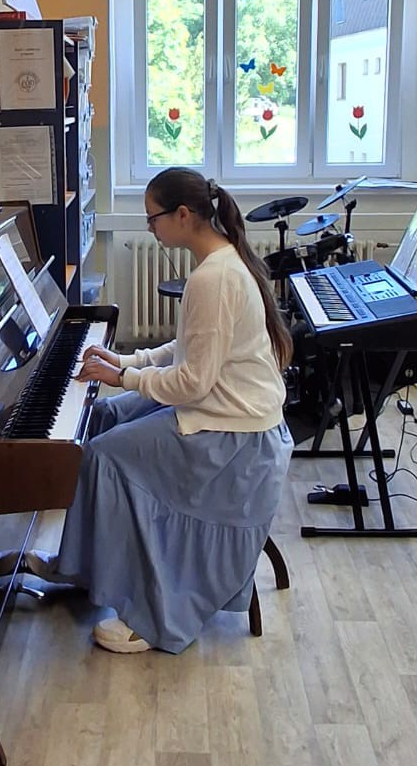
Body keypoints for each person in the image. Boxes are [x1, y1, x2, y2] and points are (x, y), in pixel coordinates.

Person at [55, 167, 292, 655]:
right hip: (221, 412)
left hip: (234, 438)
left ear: (183, 215)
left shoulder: (214, 278)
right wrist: (127, 362)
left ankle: (147, 611)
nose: (150, 228)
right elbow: (186, 349)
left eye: (153, 218)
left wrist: (123, 378)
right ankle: (93, 570)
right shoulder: (220, 262)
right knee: (105, 419)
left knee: (104, 455)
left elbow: (191, 381)